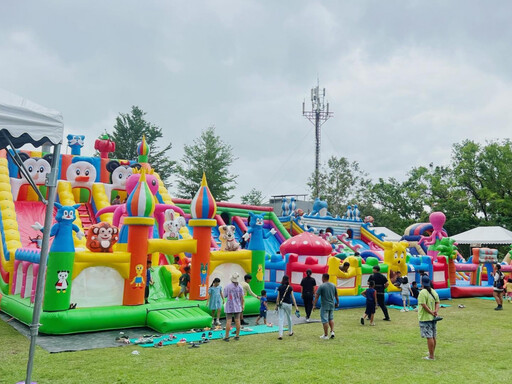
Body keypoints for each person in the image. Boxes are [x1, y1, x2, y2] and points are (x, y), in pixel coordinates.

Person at [417, 275, 440, 360]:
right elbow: (437, 302)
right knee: (433, 335)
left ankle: (431, 356)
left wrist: (431, 312)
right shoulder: (433, 291)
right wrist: (435, 312)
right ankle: (432, 352)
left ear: (422, 282)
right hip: (433, 317)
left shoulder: (422, 292)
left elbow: (423, 305)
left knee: (429, 336)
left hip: (425, 317)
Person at [313, 273, 339, 339]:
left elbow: (316, 296)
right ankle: (332, 331)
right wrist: (337, 302)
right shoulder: (333, 285)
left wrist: (314, 305)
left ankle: (326, 335)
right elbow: (336, 295)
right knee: (331, 318)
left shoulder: (321, 286)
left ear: (323, 278)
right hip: (331, 304)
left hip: (325, 305)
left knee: (325, 320)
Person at [276, 275, 299, 340]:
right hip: (288, 304)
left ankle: (280, 334)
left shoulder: (280, 287)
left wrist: (276, 305)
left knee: (281, 319)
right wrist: (296, 307)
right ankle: (290, 331)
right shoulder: (290, 288)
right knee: (289, 317)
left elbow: (278, 297)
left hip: (281, 304)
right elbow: (293, 298)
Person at [223, 272, 244, 341]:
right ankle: (237, 335)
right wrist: (242, 305)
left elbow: (225, 295)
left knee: (228, 320)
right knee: (237, 320)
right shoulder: (240, 287)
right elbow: (242, 298)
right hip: (238, 305)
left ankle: (226, 336)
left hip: (229, 305)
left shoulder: (228, 286)